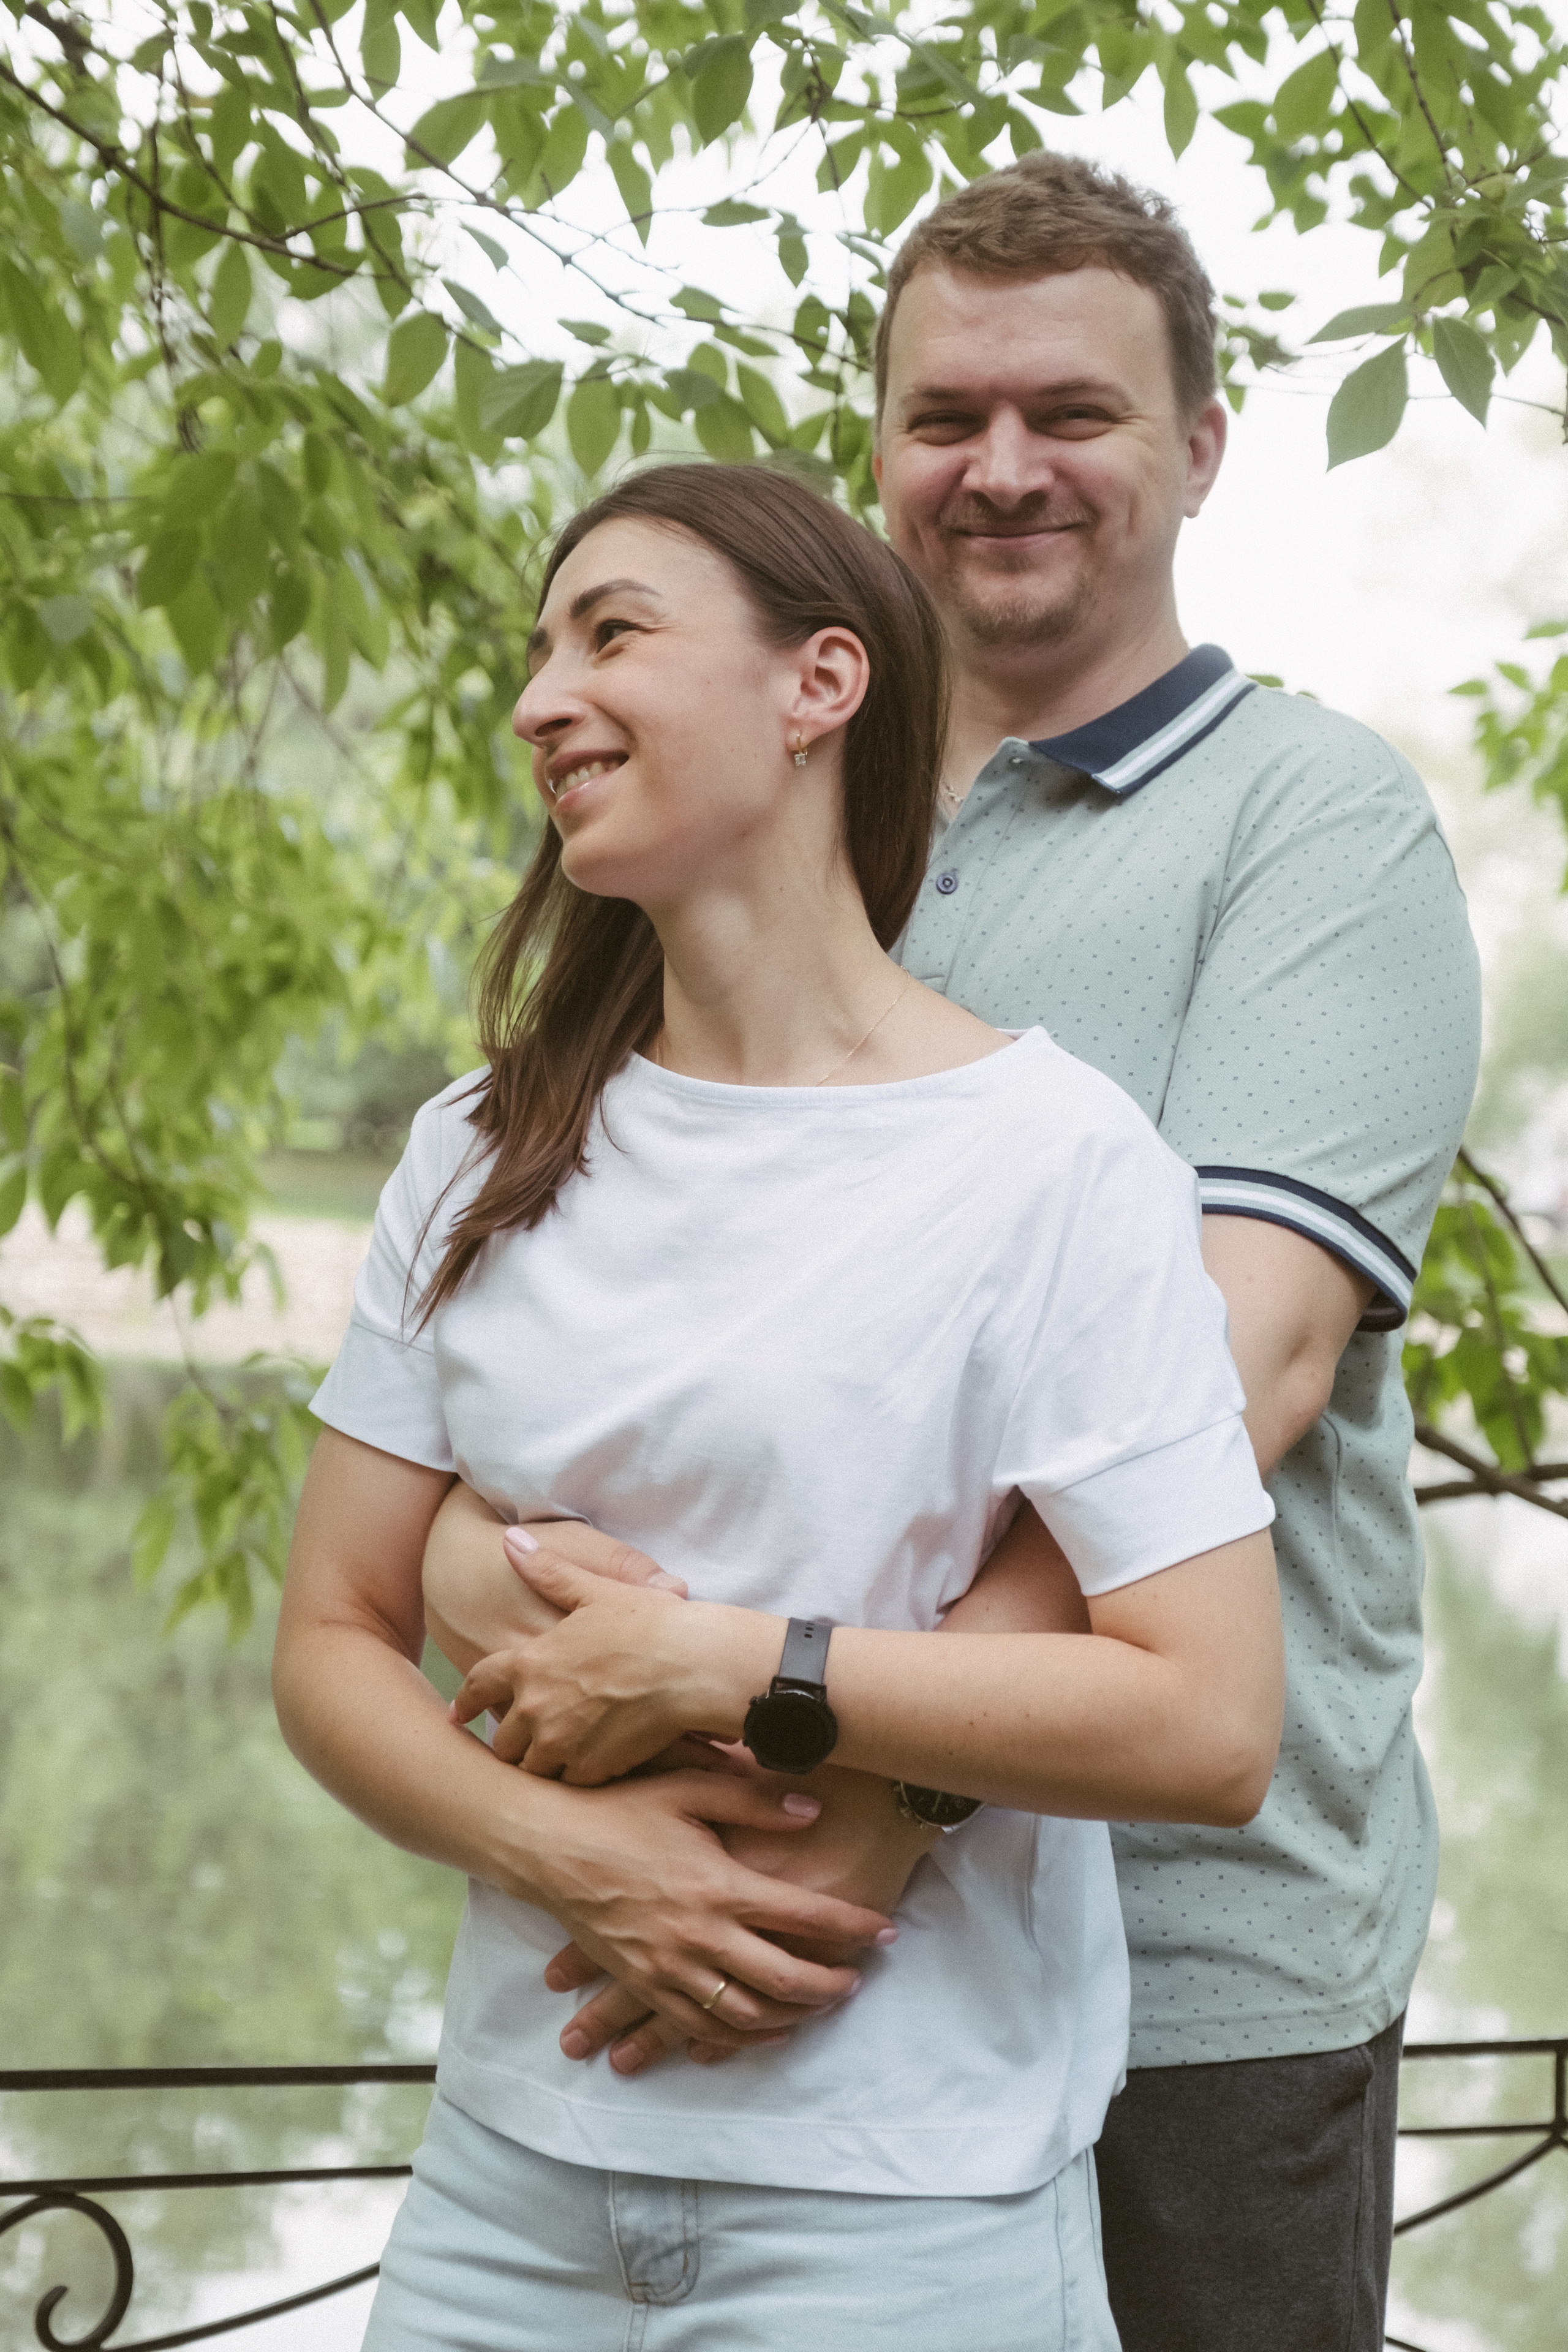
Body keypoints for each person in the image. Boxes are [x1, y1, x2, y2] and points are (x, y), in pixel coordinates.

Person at [421, 153, 1482, 2351]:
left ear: (1198, 450)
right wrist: (591, 1709)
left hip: (1194, 1976)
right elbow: (531, 1377)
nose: (1001, 470)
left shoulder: (1314, 823)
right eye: (944, 417)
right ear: (876, 453)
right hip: (703, 1932)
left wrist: (852, 1775)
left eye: (1072, 415)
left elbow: (1239, 1370)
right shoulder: (754, 844)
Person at [273, 461, 1284, 2351]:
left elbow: (1208, 1716)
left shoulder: (1052, 1162)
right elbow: (327, 1641)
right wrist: (571, 1855)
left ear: (822, 685)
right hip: (507, 2183)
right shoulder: (483, 1147)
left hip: (903, 2215)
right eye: (536, 648)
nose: (539, 699)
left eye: (613, 634)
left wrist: (727, 1665)